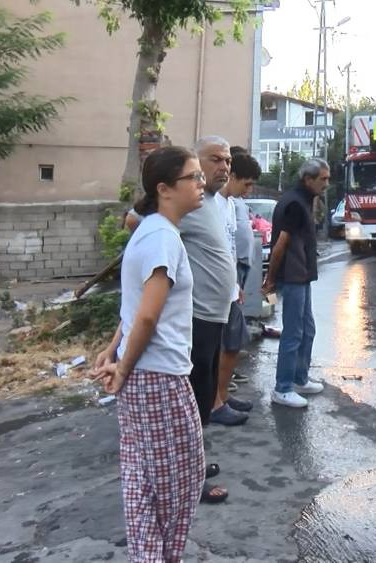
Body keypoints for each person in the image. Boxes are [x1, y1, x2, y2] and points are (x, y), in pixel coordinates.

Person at [93, 146, 206, 563]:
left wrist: (113, 354)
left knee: (142, 478)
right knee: (180, 480)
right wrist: (120, 366)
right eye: (193, 177)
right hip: (158, 375)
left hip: (144, 373)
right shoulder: (161, 238)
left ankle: (150, 556)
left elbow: (132, 309)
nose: (201, 184)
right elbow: (145, 317)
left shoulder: (151, 230)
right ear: (164, 188)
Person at [128, 136, 235, 503]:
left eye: (228, 160)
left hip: (211, 314)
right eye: (213, 161)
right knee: (186, 409)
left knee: (202, 397)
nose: (223, 167)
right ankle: (188, 476)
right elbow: (143, 313)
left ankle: (194, 465)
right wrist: (122, 364)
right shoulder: (163, 230)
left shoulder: (210, 205)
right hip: (194, 319)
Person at [262, 158, 330, 408]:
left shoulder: (302, 200)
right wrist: (270, 279)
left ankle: (300, 379)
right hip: (292, 277)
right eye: (322, 179)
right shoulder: (293, 203)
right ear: (307, 179)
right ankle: (282, 388)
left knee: (307, 330)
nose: (326, 184)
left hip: (301, 276)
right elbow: (280, 244)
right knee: (293, 333)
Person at [210, 150, 262, 425]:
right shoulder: (213, 203)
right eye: (247, 183)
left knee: (233, 344)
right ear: (234, 177)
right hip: (215, 291)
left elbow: (229, 250)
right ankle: (214, 403)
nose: (249, 189)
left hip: (230, 287)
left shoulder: (230, 204)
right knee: (223, 346)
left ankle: (221, 396)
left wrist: (236, 284)